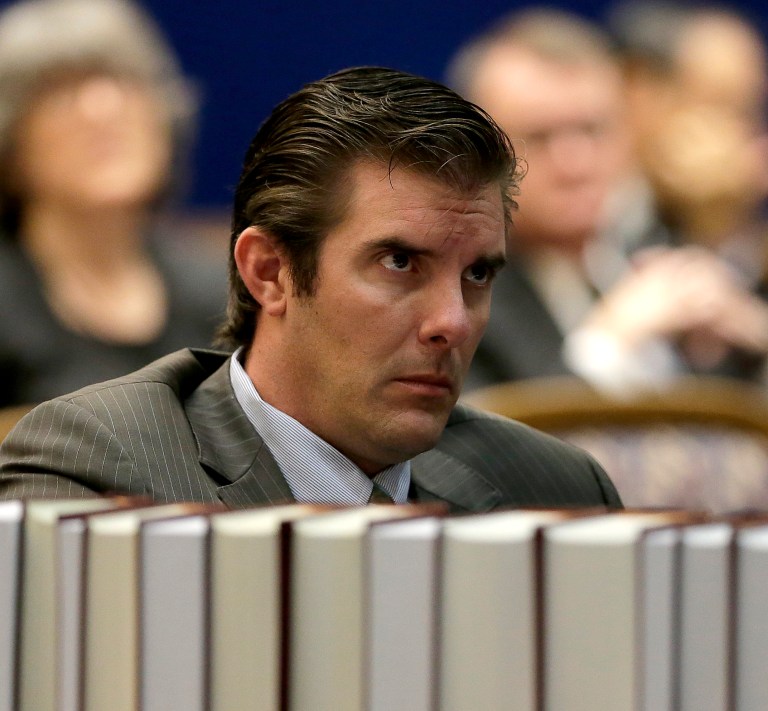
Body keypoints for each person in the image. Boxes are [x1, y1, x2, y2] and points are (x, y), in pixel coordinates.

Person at [0, 66, 622, 511]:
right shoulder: (95, 472)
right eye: (399, 262)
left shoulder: (555, 491)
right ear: (269, 272)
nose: (453, 322)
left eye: (477, 274)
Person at [0, 0, 226, 407]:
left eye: (124, 82)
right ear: (12, 145)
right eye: (61, 91)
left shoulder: (223, 296)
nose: (102, 110)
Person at [444, 9, 635, 390]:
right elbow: (506, 445)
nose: (576, 165)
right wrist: (610, 343)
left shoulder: (661, 252)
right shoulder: (452, 302)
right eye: (541, 136)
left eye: (594, 129)